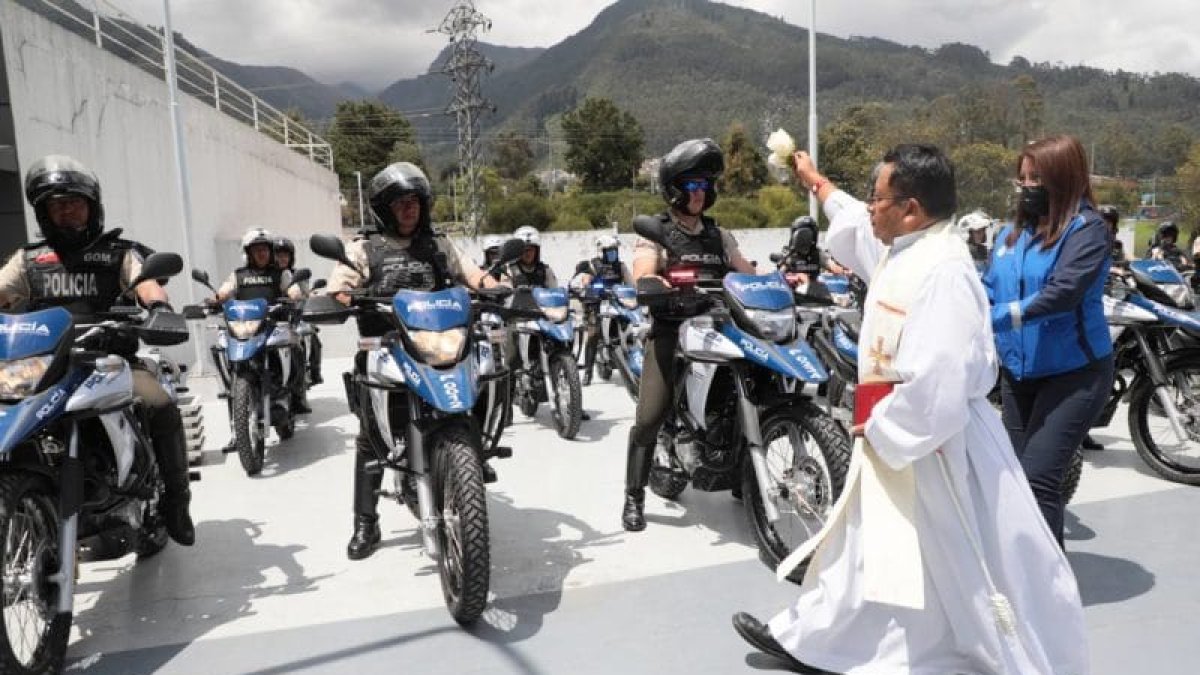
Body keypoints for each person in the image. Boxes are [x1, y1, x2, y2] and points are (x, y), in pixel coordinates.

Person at [731, 145, 1088, 674]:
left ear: (911, 209)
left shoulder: (943, 270)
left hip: (935, 444)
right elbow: (854, 222)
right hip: (893, 431)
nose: (870, 209)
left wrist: (882, 429)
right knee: (865, 545)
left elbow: (941, 382)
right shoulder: (905, 249)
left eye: (878, 199)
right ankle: (814, 640)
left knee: (954, 562)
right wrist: (815, 181)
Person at [0, 155, 195, 546]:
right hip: (48, 366)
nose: (66, 211)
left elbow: (146, 283)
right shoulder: (29, 260)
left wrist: (159, 307)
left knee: (159, 402)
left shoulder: (118, 253)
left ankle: (176, 500)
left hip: (110, 361)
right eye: (56, 205)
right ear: (43, 213)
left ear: (92, 207)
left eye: (74, 202)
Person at [322, 162, 499, 561]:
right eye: (400, 203)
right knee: (370, 437)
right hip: (386, 348)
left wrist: (495, 286)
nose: (409, 209)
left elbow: (472, 274)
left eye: (415, 201)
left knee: (480, 378)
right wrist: (347, 298)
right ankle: (366, 521)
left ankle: (470, 459)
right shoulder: (363, 248)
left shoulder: (438, 244)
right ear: (384, 209)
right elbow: (339, 289)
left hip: (438, 342)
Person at [985, 134, 1114, 546]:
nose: (1027, 187)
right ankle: (1022, 567)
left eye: (1036, 178)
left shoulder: (1087, 230)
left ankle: (1047, 579)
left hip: (1075, 375)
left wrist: (1003, 316)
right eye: (1022, 178)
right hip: (1019, 375)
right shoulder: (1010, 235)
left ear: (1064, 177)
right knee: (1014, 479)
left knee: (1038, 478)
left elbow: (1064, 292)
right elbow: (988, 287)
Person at [622, 138, 756, 532]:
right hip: (673, 330)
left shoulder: (719, 235)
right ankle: (634, 495)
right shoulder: (657, 232)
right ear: (674, 189)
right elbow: (644, 268)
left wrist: (780, 282)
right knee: (650, 416)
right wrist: (651, 282)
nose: (700, 193)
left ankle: (742, 472)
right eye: (692, 185)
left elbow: (746, 271)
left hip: (722, 329)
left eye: (705, 185)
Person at [210, 229, 310, 414]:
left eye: (264, 249)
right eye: (256, 250)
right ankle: (232, 390)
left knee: (296, 348)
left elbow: (293, 291)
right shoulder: (238, 275)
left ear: (270, 251)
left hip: (273, 326)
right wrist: (215, 300)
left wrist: (295, 296)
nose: (261, 253)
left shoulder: (281, 274)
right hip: (245, 326)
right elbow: (224, 292)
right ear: (248, 253)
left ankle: (296, 395)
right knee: (221, 346)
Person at [575, 234, 633, 385]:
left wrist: (636, 291)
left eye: (614, 250)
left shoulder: (621, 266)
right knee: (593, 333)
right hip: (597, 303)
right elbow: (585, 280)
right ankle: (588, 372)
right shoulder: (593, 265)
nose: (613, 253)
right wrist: (587, 286)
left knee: (634, 324)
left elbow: (631, 284)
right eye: (610, 251)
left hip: (617, 302)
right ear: (602, 252)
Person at [274, 235, 323, 386]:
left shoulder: (297, 274)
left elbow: (306, 293)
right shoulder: (269, 275)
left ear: (291, 257)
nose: (282, 258)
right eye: (278, 255)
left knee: (311, 336)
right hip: (272, 318)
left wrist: (311, 295)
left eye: (285, 255)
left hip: (293, 317)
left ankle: (312, 373)